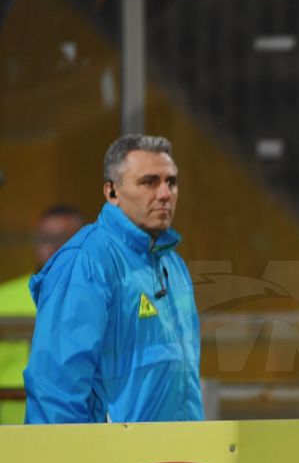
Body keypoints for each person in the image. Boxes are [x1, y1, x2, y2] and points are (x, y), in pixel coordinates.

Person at [23, 134, 202, 423]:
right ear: (112, 192)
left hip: (174, 450)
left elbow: (184, 384)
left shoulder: (173, 265)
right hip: (114, 452)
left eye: (171, 182)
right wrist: (65, 453)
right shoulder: (86, 262)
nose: (165, 194)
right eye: (149, 182)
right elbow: (56, 387)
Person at [0, 205, 83, 423]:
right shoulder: (3, 299)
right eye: (46, 238)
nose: (53, 246)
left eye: (64, 238)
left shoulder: (96, 299)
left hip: (73, 425)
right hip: (9, 427)